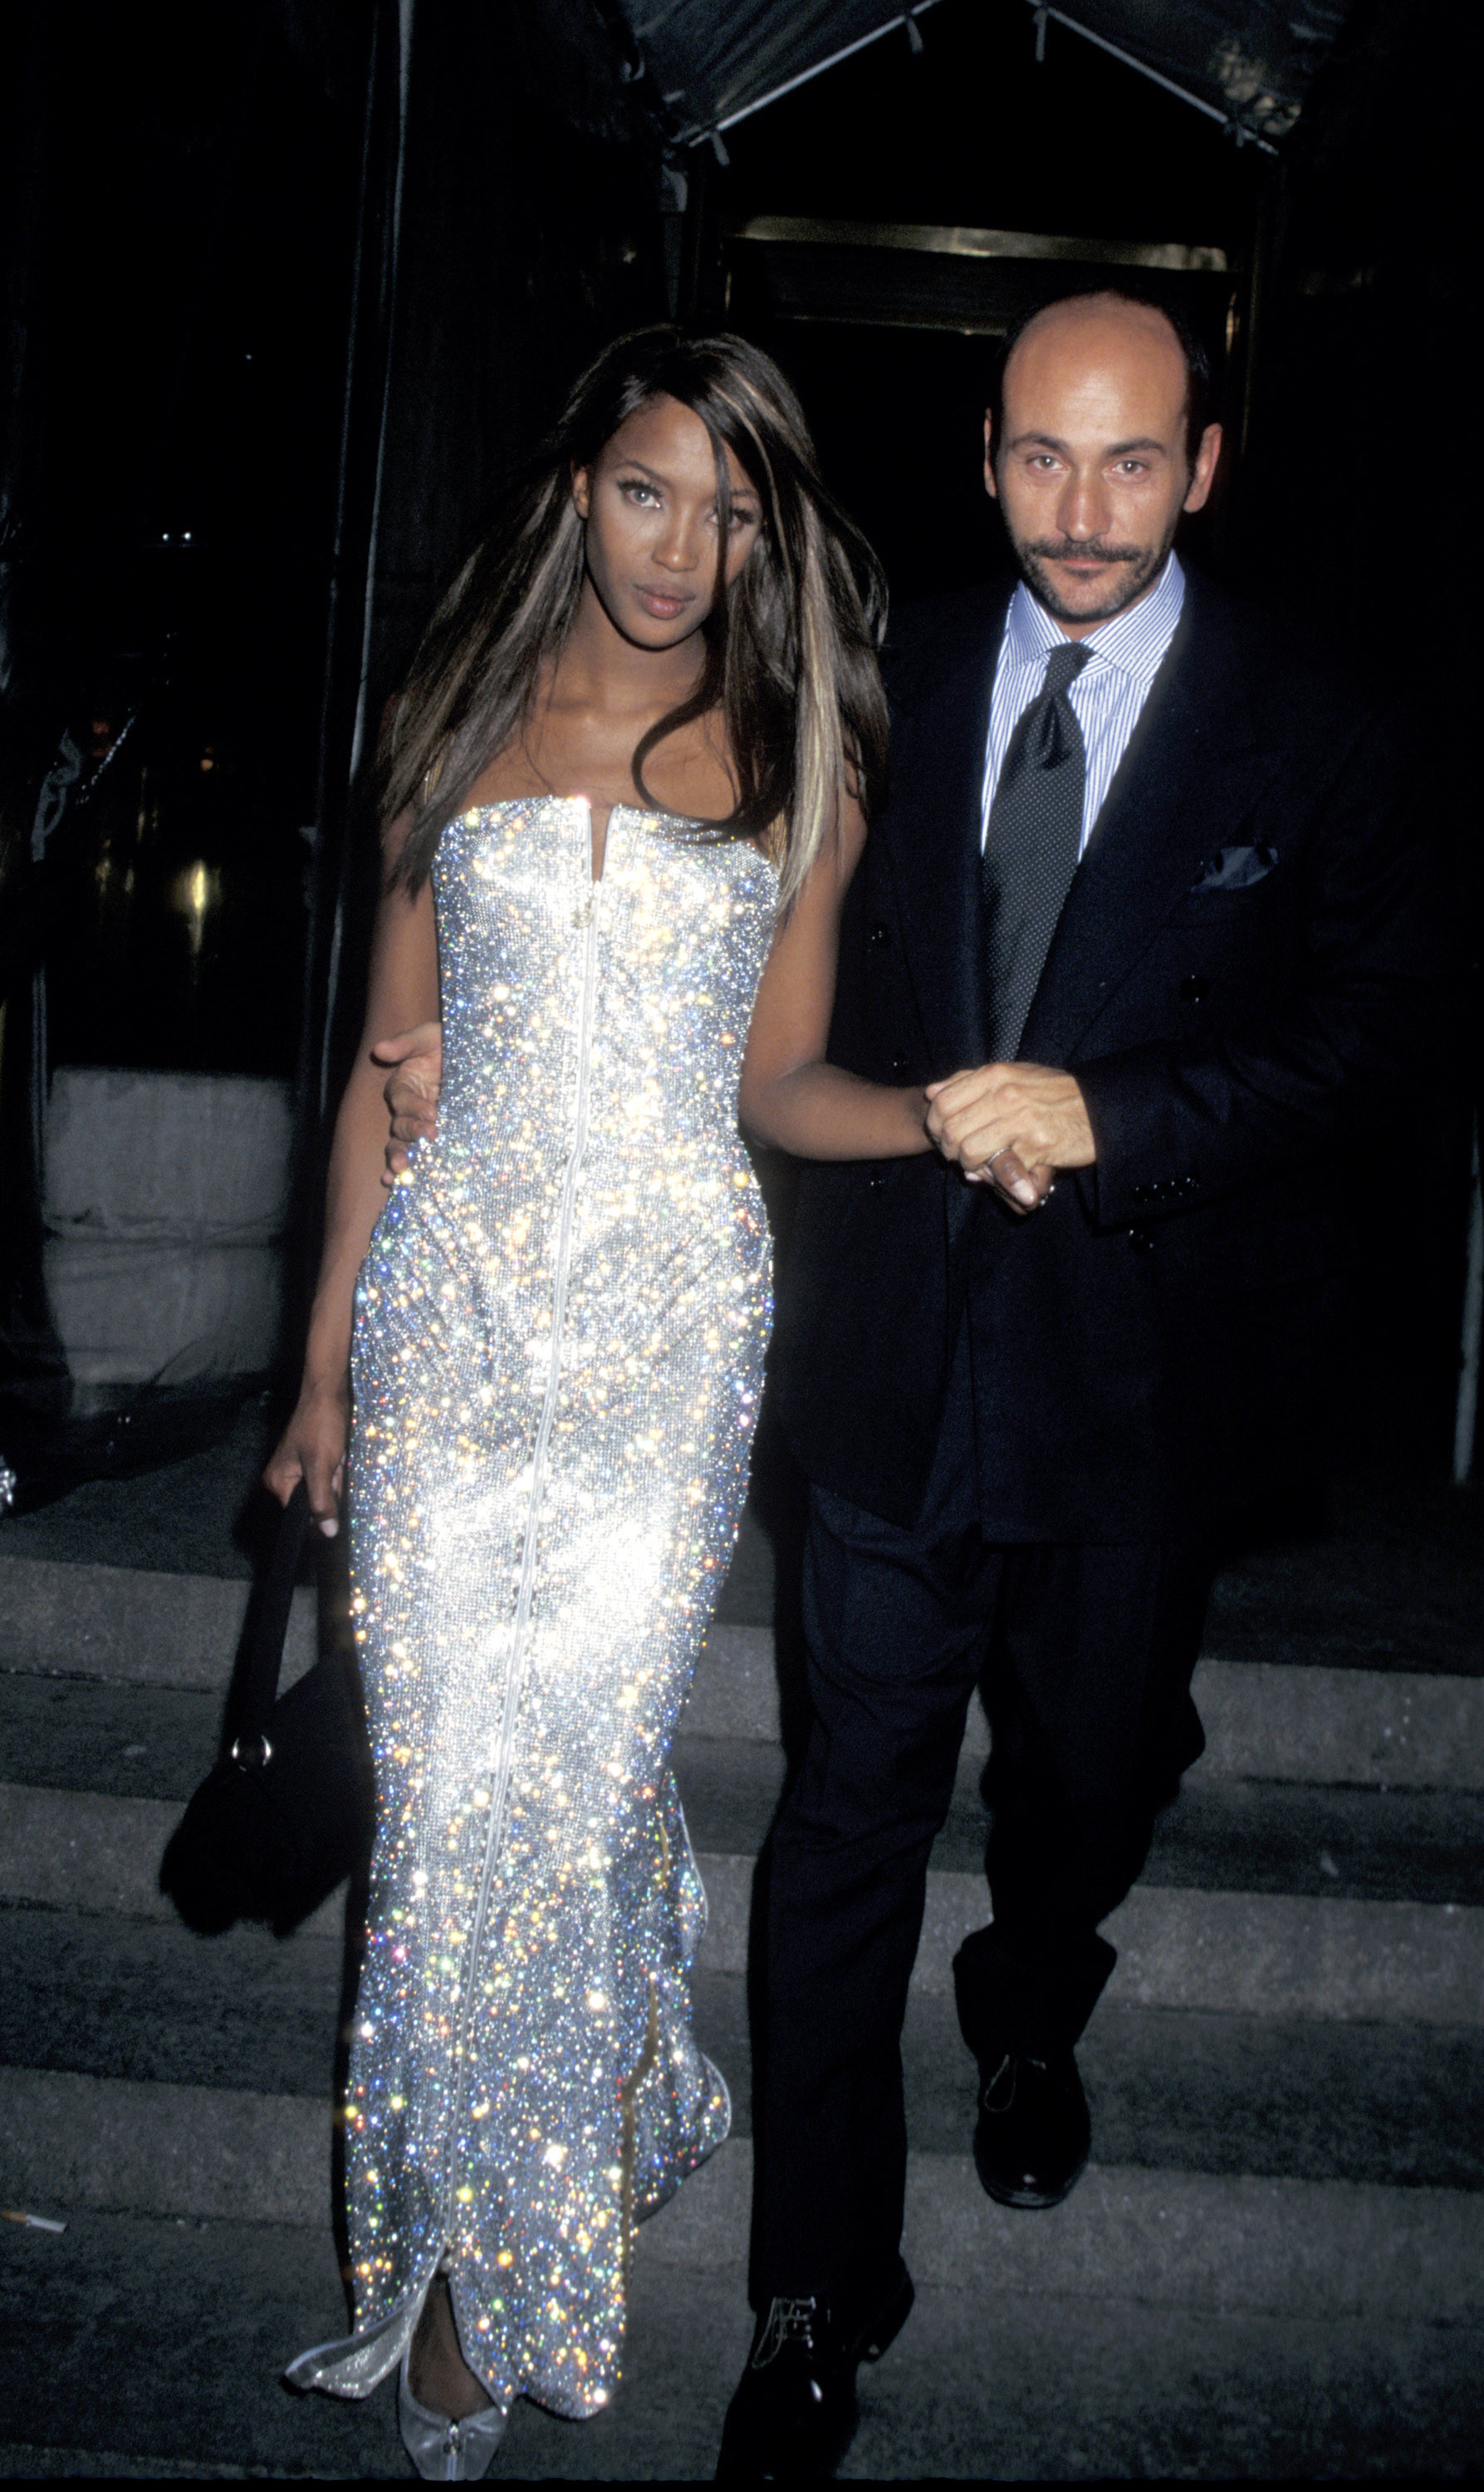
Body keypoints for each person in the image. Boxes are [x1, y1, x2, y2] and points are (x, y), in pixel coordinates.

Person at [381, 286, 1447, 2481]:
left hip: (1142, 1390)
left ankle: (1038, 1981)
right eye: (1041, 457)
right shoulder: (885, 681)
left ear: (1203, 468)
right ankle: (806, 2293)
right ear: (982, 456)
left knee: (1083, 1769)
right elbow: (731, 965)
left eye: (1130, 460)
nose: (1081, 505)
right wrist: (474, 1044)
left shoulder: (1319, 719)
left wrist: (1117, 1116)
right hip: (887, 1373)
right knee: (843, 1821)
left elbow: (1377, 1046)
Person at [264, 323, 932, 2478]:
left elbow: (781, 1089)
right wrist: (323, 1368)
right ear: (576, 491)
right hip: (455, 1316)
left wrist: (944, 1116)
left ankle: (497, 2297)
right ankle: (471, 2233)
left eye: (727, 512)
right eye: (648, 491)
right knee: (464, 1815)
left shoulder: (794, 747)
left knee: (561, 1794)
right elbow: (387, 1069)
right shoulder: (449, 720)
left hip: (661, 1332)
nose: (682, 546)